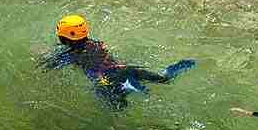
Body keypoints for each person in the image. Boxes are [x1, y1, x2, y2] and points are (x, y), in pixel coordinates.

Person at [42, 15, 196, 110]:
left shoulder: (71, 56)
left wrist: (45, 60)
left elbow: (48, 66)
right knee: (163, 80)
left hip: (108, 80)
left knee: (119, 107)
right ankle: (169, 72)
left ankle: (128, 91)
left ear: (63, 39)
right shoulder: (94, 43)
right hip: (125, 68)